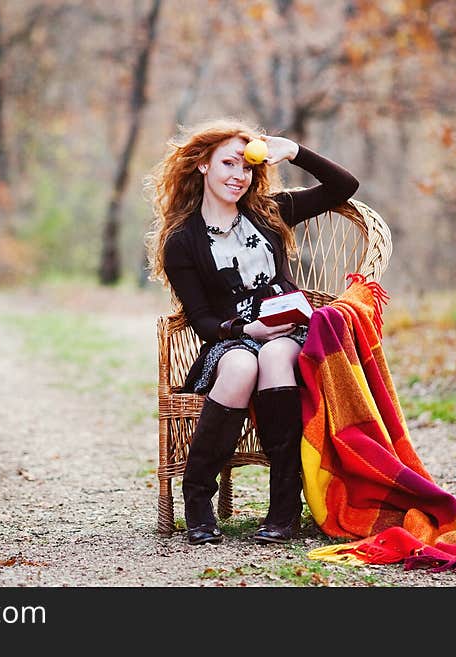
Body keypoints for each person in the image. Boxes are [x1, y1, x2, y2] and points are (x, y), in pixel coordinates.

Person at [145, 118, 359, 545]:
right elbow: (202, 318)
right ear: (203, 165)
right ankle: (198, 496)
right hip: (232, 336)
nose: (238, 175)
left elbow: (344, 186)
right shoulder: (182, 241)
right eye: (227, 163)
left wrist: (293, 150)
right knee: (243, 364)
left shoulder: (268, 211)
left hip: (291, 334)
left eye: (246, 167)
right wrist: (247, 328)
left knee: (276, 354)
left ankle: (283, 507)